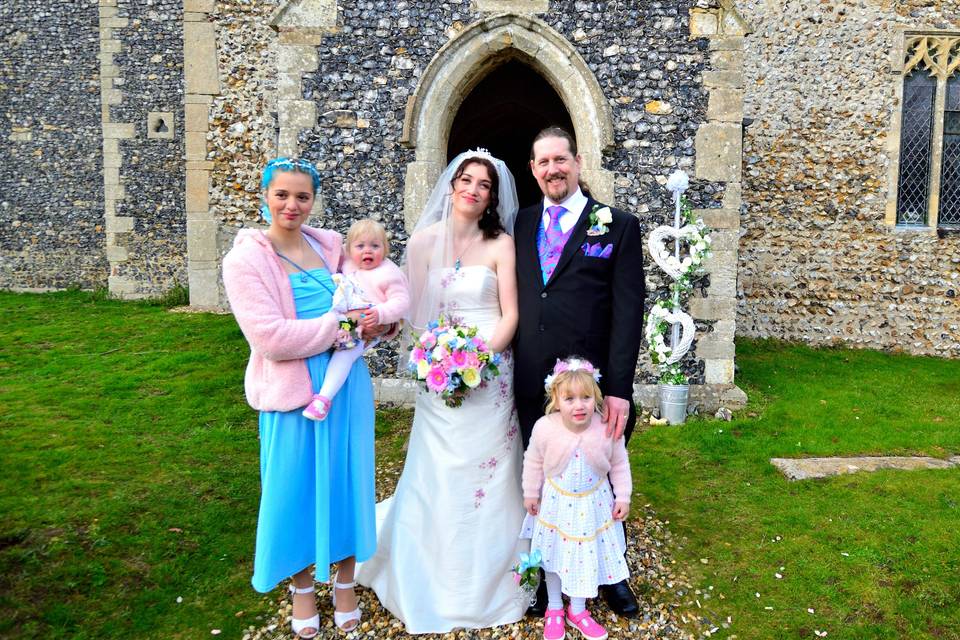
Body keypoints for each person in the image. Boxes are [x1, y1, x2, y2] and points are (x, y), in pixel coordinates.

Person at [356, 149, 526, 633]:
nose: (473, 190)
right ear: (451, 186)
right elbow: (408, 313)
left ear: (492, 197)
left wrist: (479, 360)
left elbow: (510, 314)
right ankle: (428, 572)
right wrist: (427, 353)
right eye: (465, 180)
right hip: (437, 370)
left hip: (491, 371)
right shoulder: (423, 242)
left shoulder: (501, 245)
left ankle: (496, 578)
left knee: (489, 471)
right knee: (437, 468)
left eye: (483, 184)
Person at [222, 158, 385, 637]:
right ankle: (302, 589)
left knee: (348, 480)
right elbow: (270, 338)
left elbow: (366, 295)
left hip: (345, 387)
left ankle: (346, 584)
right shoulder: (245, 259)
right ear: (265, 196)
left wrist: (378, 321)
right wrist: (342, 327)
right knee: (293, 487)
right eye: (282, 195)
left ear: (313, 200)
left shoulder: (330, 246)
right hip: (292, 389)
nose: (292, 205)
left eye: (302, 197)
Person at [513, 126, 645, 617]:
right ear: (533, 169)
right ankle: (545, 577)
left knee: (601, 481)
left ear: (578, 161)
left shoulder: (617, 225)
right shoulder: (522, 223)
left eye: (561, 159)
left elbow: (628, 313)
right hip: (533, 381)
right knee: (544, 482)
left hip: (592, 388)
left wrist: (619, 389)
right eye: (543, 162)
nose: (553, 169)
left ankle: (612, 575)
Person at [520, 358, 631, 640]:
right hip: (557, 505)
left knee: (582, 555)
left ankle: (578, 610)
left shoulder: (604, 426)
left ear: (595, 397)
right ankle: (555, 607)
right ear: (556, 400)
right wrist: (531, 492)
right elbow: (533, 461)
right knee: (555, 555)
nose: (579, 405)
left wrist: (623, 496)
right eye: (569, 399)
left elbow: (619, 463)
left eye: (585, 397)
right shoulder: (545, 427)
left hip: (592, 506)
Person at [302, 218, 409, 421]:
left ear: (385, 249)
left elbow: (402, 302)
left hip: (369, 319)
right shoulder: (349, 262)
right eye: (360, 246)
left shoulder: (389, 273)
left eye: (375, 246)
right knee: (330, 348)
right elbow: (328, 245)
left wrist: (381, 314)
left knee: (346, 352)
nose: (367, 251)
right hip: (346, 318)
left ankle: (323, 399)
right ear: (349, 249)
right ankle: (317, 389)